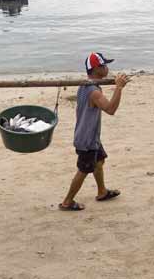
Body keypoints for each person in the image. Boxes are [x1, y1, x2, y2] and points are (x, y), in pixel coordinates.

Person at [59, 52, 129, 211]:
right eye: (104, 65)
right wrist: (119, 87)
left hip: (90, 135)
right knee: (83, 170)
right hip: (87, 138)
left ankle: (102, 192)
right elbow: (111, 109)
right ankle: (67, 202)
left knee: (99, 161)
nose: (107, 68)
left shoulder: (85, 85)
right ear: (97, 68)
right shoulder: (94, 92)